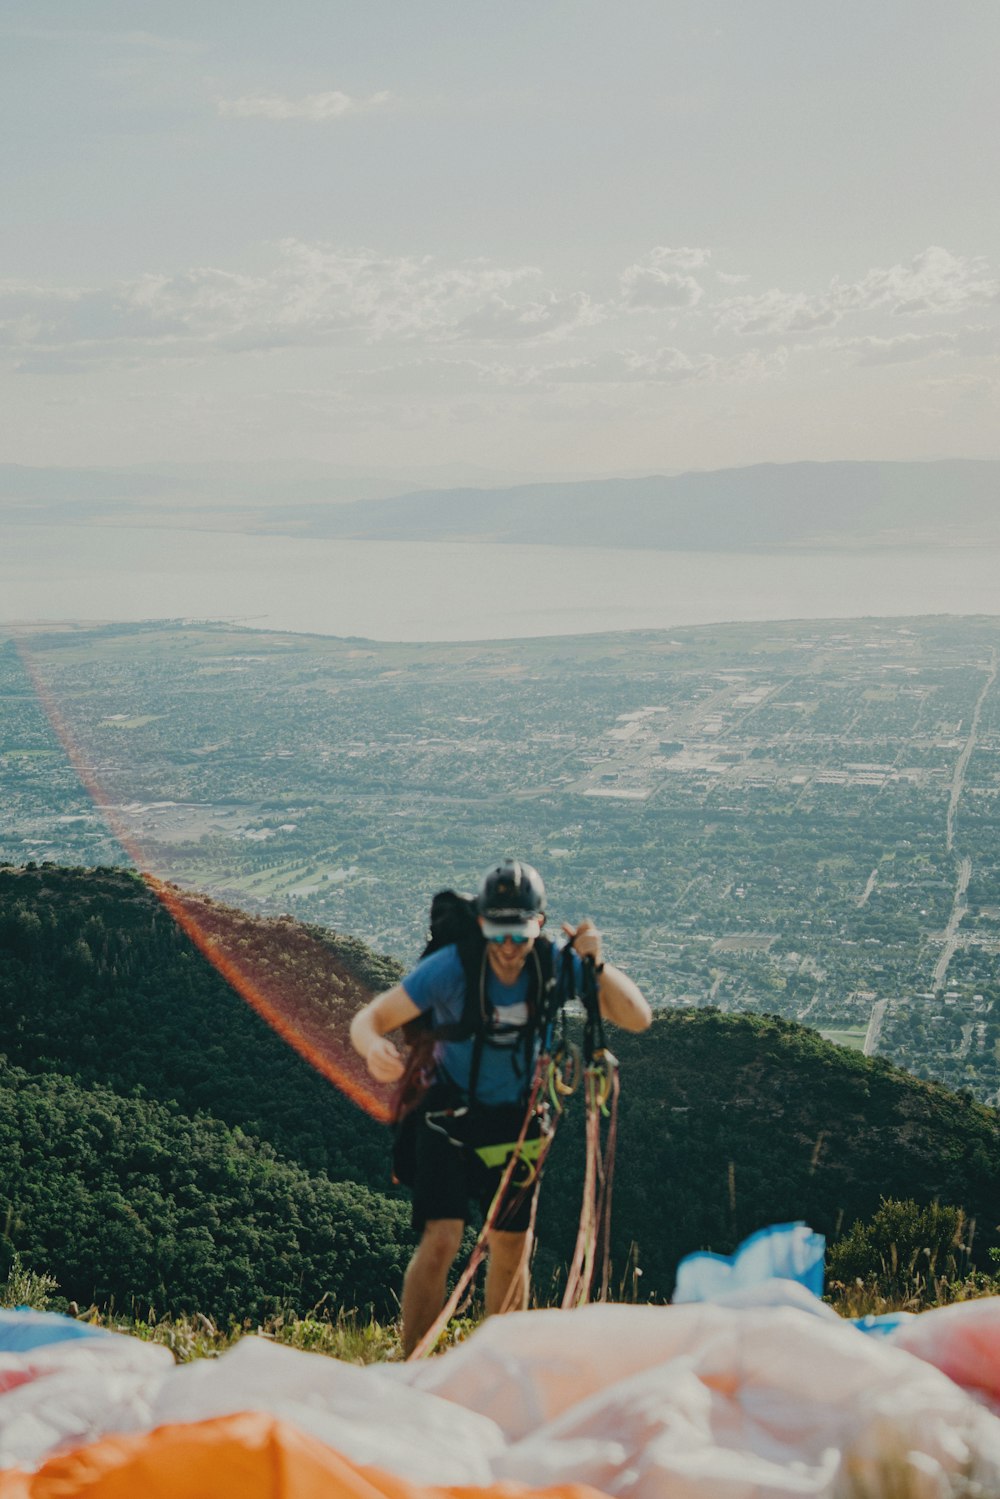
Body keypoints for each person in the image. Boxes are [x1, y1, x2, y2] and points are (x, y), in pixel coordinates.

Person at [350, 858, 652, 1356]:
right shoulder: (454, 967)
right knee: (442, 1239)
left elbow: (636, 1017)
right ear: (481, 925)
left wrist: (595, 964)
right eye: (497, 932)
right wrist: (371, 1047)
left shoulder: (552, 964)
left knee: (512, 1246)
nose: (510, 948)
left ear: (539, 926)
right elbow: (373, 1017)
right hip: (447, 1115)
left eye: (521, 932)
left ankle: (501, 1366)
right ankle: (416, 1366)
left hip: (516, 1120)